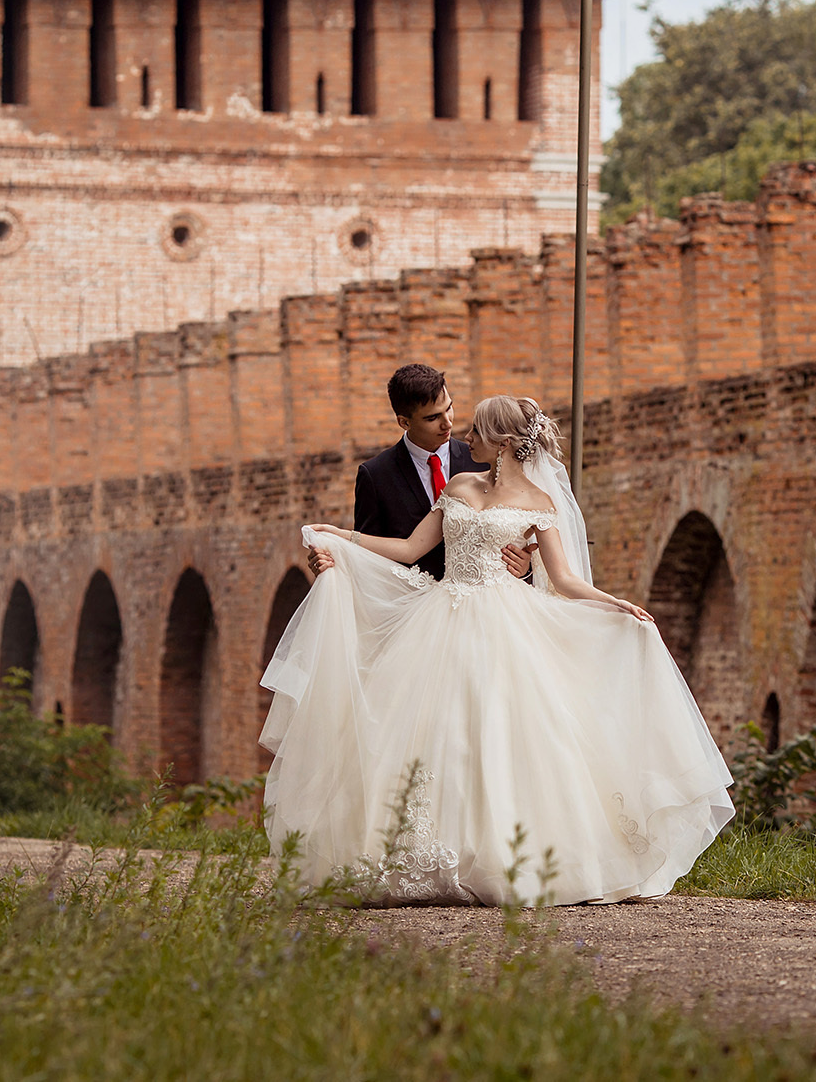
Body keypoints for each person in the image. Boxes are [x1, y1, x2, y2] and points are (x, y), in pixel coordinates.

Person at [261, 394, 734, 905]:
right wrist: (342, 537)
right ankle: (426, 852)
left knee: (506, 732)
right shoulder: (461, 485)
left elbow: (565, 579)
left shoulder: (540, 503)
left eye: (478, 432)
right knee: (433, 731)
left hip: (508, 623)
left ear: (504, 443)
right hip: (441, 618)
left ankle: (510, 857)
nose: (467, 439)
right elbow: (408, 550)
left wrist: (615, 604)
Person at [306, 363, 530, 583]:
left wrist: (526, 566)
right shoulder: (375, 476)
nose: (447, 423)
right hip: (409, 606)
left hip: (483, 605)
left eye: (448, 408)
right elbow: (366, 559)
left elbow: (520, 533)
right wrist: (332, 557)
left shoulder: (484, 461)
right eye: (432, 418)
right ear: (404, 422)